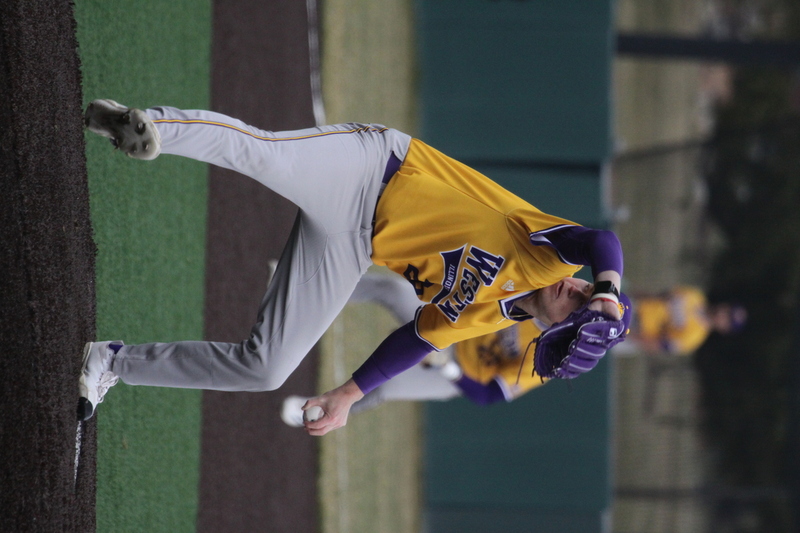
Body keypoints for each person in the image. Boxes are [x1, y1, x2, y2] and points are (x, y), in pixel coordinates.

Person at [78, 99, 627, 436]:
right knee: (266, 154)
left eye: (577, 305)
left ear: (554, 326)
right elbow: (602, 240)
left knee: (265, 370)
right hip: (373, 169)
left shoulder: (495, 316)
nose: (577, 289)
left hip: (350, 245)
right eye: (585, 292)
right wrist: (609, 293)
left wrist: (348, 394)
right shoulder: (547, 253)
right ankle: (150, 129)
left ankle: (111, 362)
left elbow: (418, 337)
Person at [280, 273, 550, 427]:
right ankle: (301, 288)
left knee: (384, 388)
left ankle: (313, 413)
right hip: (453, 324)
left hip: (457, 374)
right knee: (392, 289)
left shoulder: (548, 357)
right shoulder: (541, 289)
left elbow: (488, 395)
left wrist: (448, 368)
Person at [627, 285, 747, 356]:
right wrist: (629, 294)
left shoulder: (695, 337)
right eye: (728, 311)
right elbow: (658, 295)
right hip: (635, 305)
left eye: (728, 320)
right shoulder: (696, 296)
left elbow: (659, 344)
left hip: (636, 328)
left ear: (724, 329)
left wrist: (628, 337)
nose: (723, 314)